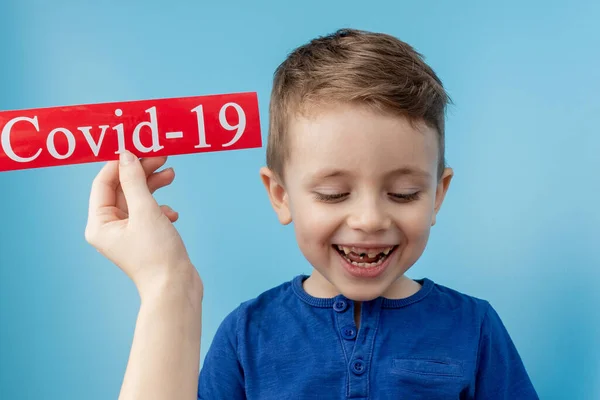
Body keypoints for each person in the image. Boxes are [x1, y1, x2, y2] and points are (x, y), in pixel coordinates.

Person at [85, 28, 539, 399]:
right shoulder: (246, 334)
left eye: (402, 193)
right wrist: (168, 282)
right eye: (333, 193)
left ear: (437, 195)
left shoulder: (474, 328)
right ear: (281, 195)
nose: (369, 219)